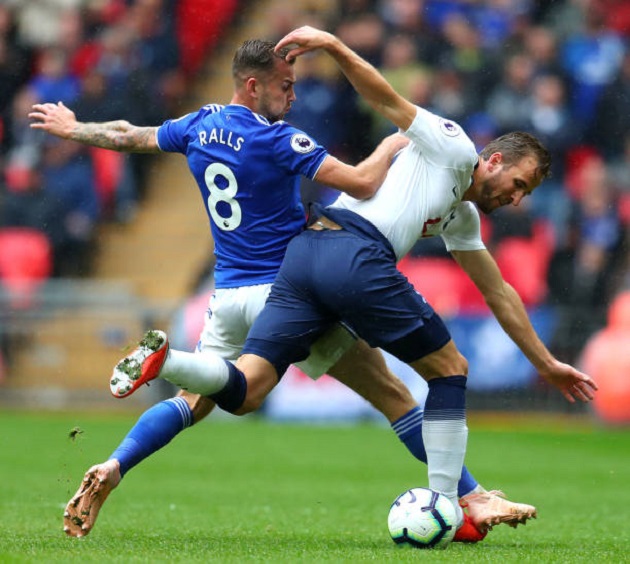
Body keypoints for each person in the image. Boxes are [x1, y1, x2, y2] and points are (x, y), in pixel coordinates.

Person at [31, 38, 536, 541]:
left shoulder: (198, 123)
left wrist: (74, 128)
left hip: (226, 294)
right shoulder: (278, 139)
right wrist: (390, 143)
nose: (292, 97)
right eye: (285, 86)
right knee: (393, 394)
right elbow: (361, 184)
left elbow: (128, 135)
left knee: (199, 399)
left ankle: (116, 462)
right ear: (254, 86)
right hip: (289, 287)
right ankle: (470, 496)